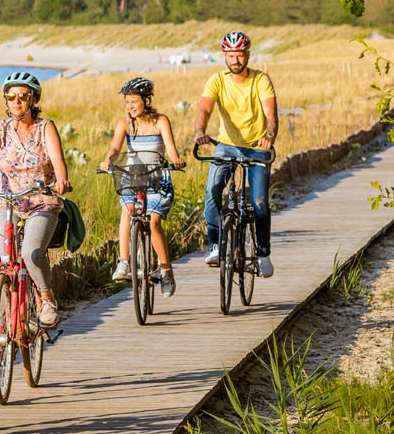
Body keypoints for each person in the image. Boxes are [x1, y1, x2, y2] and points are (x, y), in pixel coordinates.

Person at [0, 70, 72, 329]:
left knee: (32, 253)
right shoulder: (1, 129)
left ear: (33, 99)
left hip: (41, 202)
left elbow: (57, 160)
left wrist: (62, 180)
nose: (16, 101)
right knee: (1, 263)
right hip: (7, 203)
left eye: (23, 96)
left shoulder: (46, 127)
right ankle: (1, 333)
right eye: (11, 97)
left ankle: (46, 298)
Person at [192, 30, 278, 277]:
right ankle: (217, 244)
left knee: (259, 203)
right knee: (212, 190)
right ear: (224, 56)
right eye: (230, 55)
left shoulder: (260, 80)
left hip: (257, 146)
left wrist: (269, 137)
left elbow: (271, 117)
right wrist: (200, 131)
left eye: (239, 55)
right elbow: (205, 111)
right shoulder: (216, 80)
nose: (235, 60)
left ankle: (263, 253)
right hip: (226, 145)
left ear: (247, 54)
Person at [98, 76, 185, 294]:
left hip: (157, 177)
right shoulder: (124, 124)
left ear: (146, 101)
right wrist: (109, 161)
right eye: (127, 102)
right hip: (132, 176)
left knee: (154, 223)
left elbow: (171, 149)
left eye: (134, 101)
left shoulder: (161, 121)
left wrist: (176, 160)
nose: (130, 107)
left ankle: (165, 270)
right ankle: (124, 262)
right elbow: (115, 149)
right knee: (127, 211)